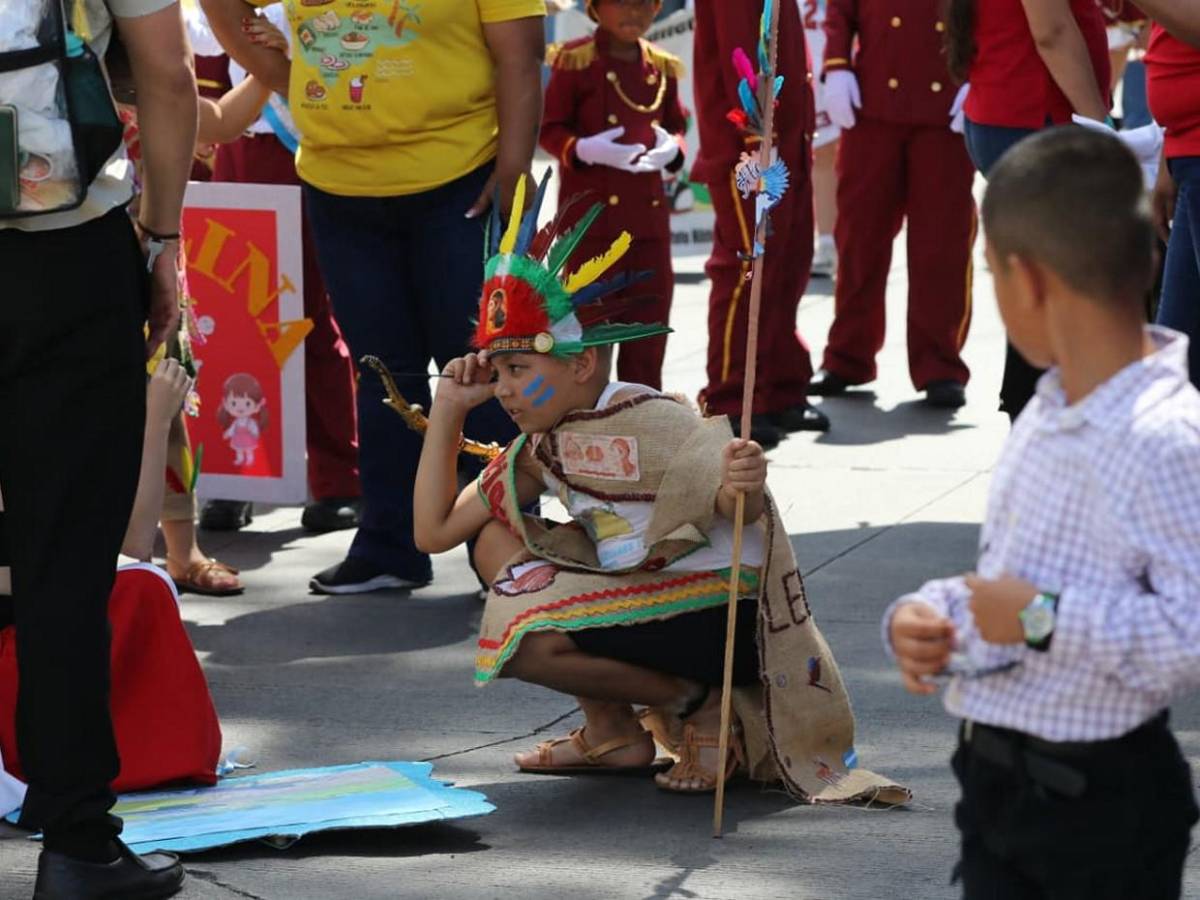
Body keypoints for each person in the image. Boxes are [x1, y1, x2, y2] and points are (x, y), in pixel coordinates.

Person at [412, 179, 909, 804]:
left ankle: (700, 702)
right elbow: (432, 533)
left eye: (519, 371)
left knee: (526, 635)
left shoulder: (652, 419)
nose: (505, 390)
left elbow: (737, 510)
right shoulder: (542, 444)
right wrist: (450, 409)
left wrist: (742, 485)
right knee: (490, 540)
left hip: (721, 622)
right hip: (640, 602)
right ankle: (614, 729)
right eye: (499, 372)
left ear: (582, 365)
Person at [885, 127, 1200, 898]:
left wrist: (1040, 618)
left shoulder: (1168, 438)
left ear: (1024, 281)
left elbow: (1187, 634)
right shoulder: (1050, 408)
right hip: (999, 776)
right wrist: (934, 615)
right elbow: (1013, 585)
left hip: (1102, 802)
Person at [202, 0, 547, 595]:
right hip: (339, 185)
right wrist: (295, 80)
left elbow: (521, 55)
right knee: (382, 371)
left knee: (483, 366)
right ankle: (389, 545)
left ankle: (509, 545)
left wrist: (514, 168)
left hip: (461, 178)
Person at [0, 0, 196, 894]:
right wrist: (162, 235)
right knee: (64, 563)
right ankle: (76, 841)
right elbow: (165, 72)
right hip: (64, 259)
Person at [0, 360, 223, 809]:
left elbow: (134, 546)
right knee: (126, 588)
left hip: (42, 639)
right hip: (20, 657)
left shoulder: (56, 428)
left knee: (142, 585)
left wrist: (156, 423)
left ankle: (155, 753)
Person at [195, 4, 364, 536]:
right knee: (229, 318)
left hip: (306, 148)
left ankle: (339, 477)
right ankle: (234, 477)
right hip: (232, 151)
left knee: (308, 316)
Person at [944, 0, 1109, 420]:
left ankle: (1035, 420)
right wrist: (1100, 124)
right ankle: (1037, 424)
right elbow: (1051, 30)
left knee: (1046, 287)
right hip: (1033, 115)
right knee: (1058, 291)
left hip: (1010, 108)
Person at [812, 0, 976, 409]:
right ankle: (848, 356)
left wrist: (982, 78)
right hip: (873, 101)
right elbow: (840, 10)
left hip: (945, 102)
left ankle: (940, 363)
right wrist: (836, 65)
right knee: (858, 238)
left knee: (942, 245)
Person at [691, 0, 828, 449]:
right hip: (753, 143)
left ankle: (781, 384)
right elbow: (743, 56)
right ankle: (732, 397)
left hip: (786, 135)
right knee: (746, 270)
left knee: (788, 266)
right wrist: (757, 134)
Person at [538, 0, 689, 391]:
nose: (634, 14)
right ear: (595, 8)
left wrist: (673, 149)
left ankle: (644, 421)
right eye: (622, 3)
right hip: (593, 227)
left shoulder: (661, 66)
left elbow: (677, 124)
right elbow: (549, 128)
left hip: (648, 226)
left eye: (645, 4)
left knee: (648, 339)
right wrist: (583, 148)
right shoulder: (576, 61)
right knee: (588, 342)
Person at [802, 0, 842, 279]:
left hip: (842, 62)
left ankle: (840, 239)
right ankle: (826, 241)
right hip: (803, 62)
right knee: (821, 154)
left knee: (843, 155)